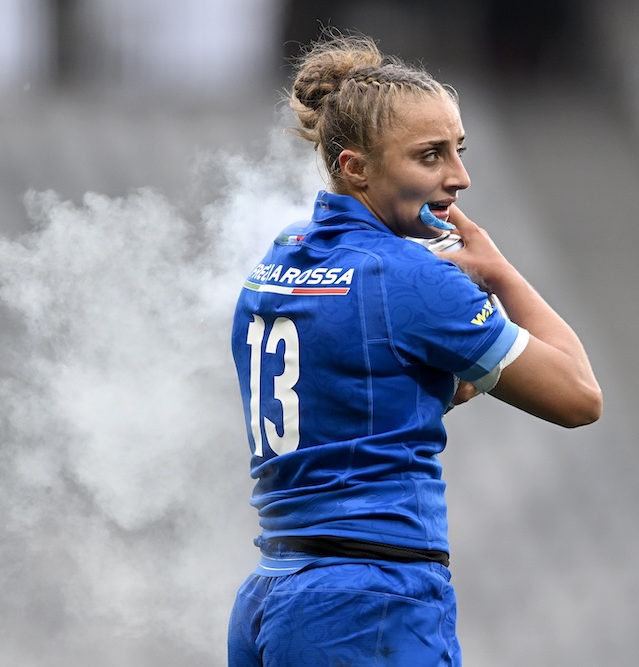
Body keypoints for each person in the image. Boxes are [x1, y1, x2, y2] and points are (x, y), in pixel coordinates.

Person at [227, 32, 601, 666]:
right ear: (356, 167)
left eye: (457, 150)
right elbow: (577, 396)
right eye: (430, 156)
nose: (460, 176)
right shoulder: (407, 276)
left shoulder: (283, 256)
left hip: (274, 592)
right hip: (369, 600)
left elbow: (384, 393)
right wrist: (502, 273)